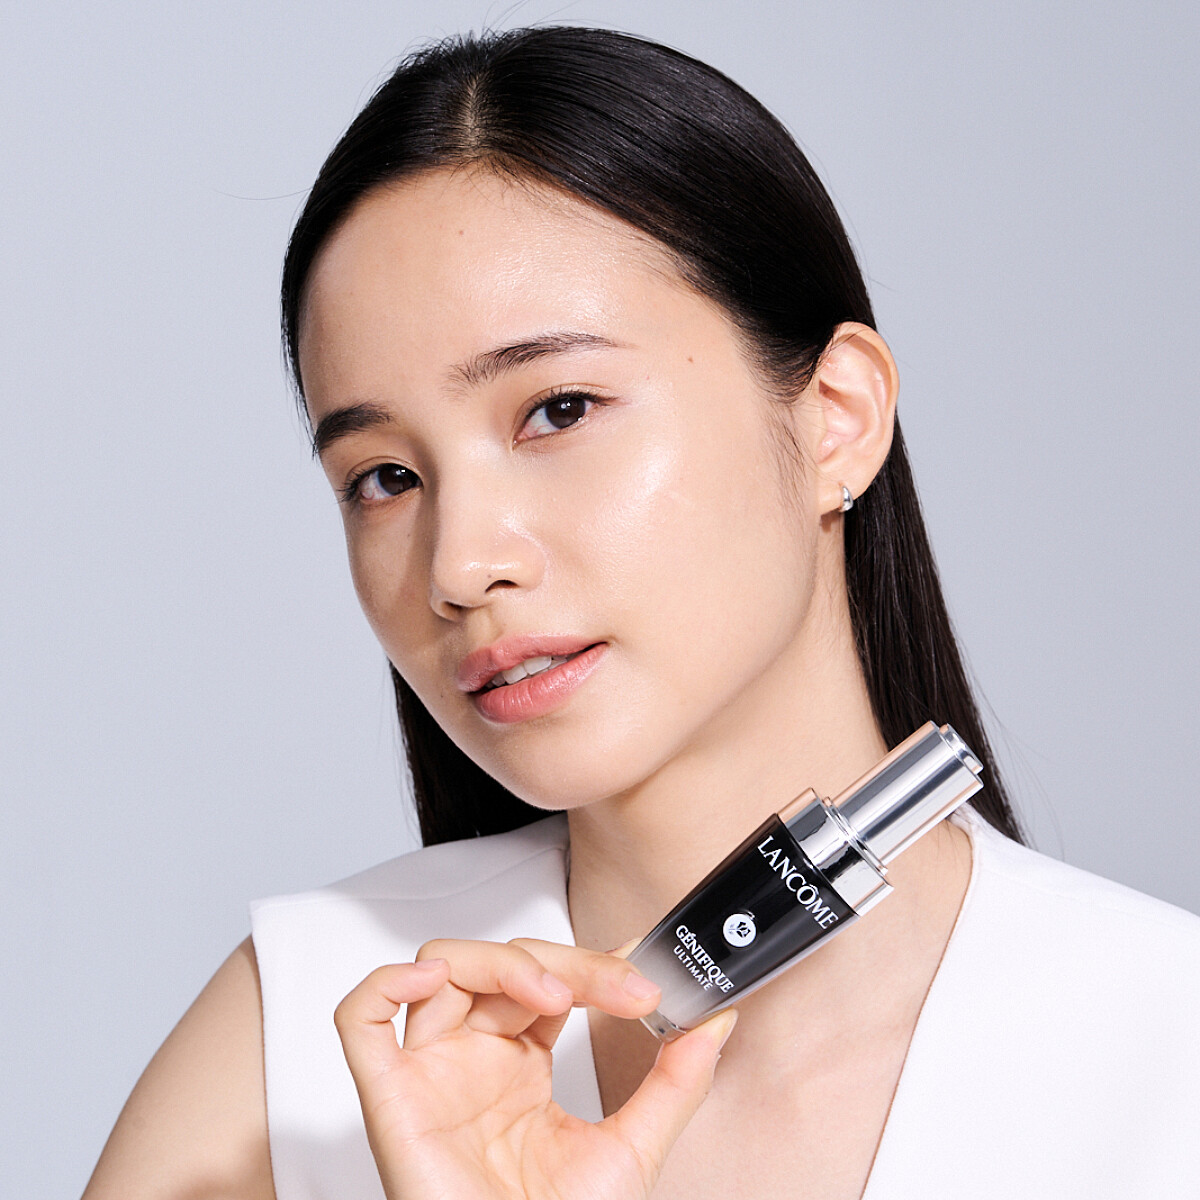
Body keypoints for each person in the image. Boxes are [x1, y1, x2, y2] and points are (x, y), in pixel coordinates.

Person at [83, 25, 1200, 1200]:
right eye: (385, 477)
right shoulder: (295, 1049)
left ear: (837, 418)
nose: (460, 563)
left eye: (560, 409)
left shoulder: (1162, 1052)